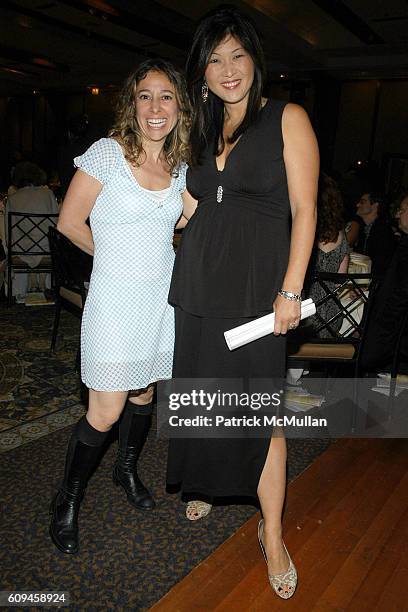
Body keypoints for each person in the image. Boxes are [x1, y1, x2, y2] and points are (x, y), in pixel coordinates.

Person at [166, 7, 319, 599]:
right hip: (200, 286)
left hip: (260, 293)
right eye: (214, 59)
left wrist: (291, 289)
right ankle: (205, 480)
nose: (227, 69)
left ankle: (272, 534)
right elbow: (192, 203)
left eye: (237, 55)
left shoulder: (288, 117)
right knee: (204, 396)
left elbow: (305, 210)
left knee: (262, 416)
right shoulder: (202, 130)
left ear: (254, 60)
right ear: (201, 72)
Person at [49, 58, 191, 554]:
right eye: (146, 95)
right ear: (133, 103)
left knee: (145, 394)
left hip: (160, 300)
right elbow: (69, 222)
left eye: (167, 96)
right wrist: (113, 253)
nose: (156, 107)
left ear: (179, 106)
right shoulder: (107, 155)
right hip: (113, 299)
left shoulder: (180, 167)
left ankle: (125, 471)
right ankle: (67, 497)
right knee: (105, 411)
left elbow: (198, 221)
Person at [361, 193, 408, 371]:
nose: (397, 215)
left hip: (394, 335)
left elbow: (399, 297)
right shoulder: (403, 243)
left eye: (402, 210)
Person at [6, 162, 59, 300]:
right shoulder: (48, 194)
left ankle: (21, 290)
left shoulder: (13, 198)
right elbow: (56, 224)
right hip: (46, 250)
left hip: (22, 251)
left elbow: (8, 231)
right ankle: (45, 285)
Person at [307, 173, 350, 337]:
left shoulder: (303, 236)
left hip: (305, 314)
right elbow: (341, 278)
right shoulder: (341, 236)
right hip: (333, 316)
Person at [354, 192, 396, 277]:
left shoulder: (383, 232)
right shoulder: (363, 229)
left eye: (362, 202)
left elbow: (380, 265)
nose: (358, 205)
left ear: (375, 205)